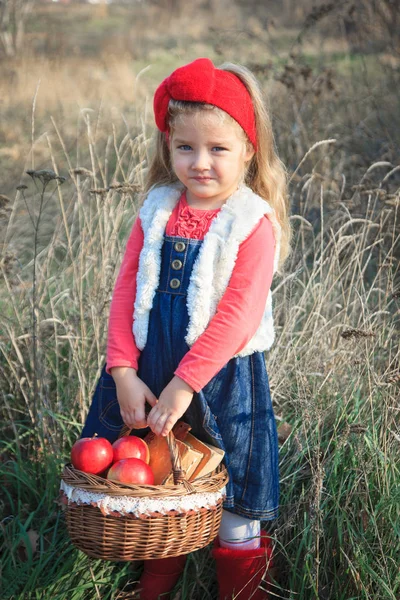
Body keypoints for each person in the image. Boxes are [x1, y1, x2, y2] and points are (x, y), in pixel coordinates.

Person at [81, 57, 291, 599]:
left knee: (233, 498)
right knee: (153, 485)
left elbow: (236, 316)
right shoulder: (156, 210)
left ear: (249, 150)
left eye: (218, 149)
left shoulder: (251, 223)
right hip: (150, 373)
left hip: (221, 382)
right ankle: (156, 582)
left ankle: (240, 590)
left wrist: (186, 381)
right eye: (185, 147)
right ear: (168, 148)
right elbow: (126, 293)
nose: (200, 162)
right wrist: (123, 371)